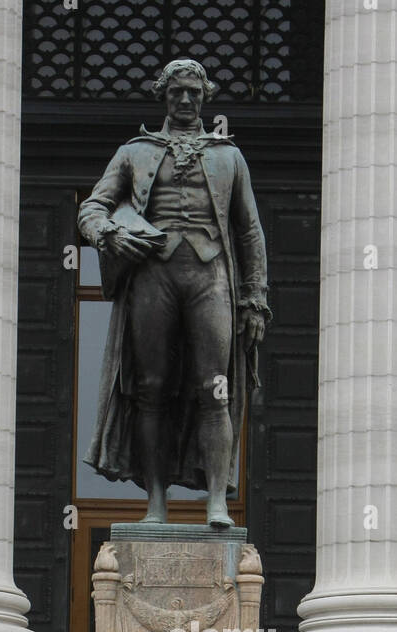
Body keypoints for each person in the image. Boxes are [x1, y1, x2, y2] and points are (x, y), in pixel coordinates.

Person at [78, 57, 270, 527]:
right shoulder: (133, 152)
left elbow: (249, 232)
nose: (185, 100)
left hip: (210, 278)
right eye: (177, 92)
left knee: (216, 390)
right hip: (153, 277)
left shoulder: (229, 156)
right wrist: (106, 232)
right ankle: (157, 505)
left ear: (204, 97)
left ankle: (217, 502)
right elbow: (92, 207)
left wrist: (255, 298)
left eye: (193, 93)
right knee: (151, 390)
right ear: (164, 95)